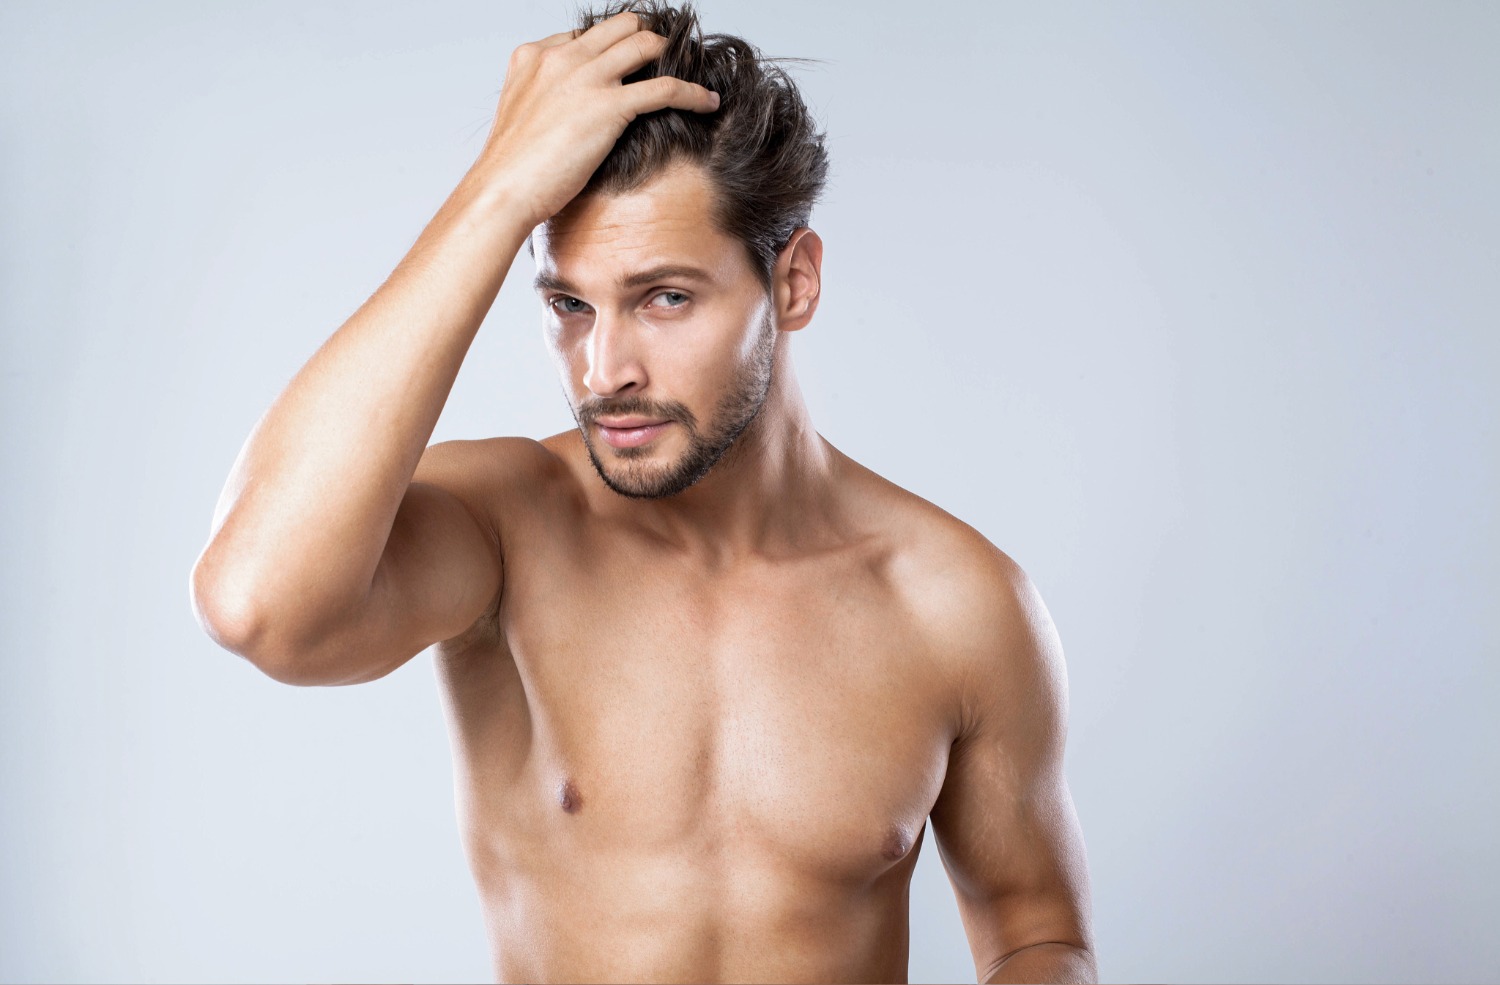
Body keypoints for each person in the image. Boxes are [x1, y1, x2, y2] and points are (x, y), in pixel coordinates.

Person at [188, 1, 1097, 981]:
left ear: (793, 283)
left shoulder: (957, 601)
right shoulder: (507, 530)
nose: (603, 368)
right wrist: (497, 193)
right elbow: (258, 605)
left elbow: (1037, 930)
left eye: (665, 298)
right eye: (570, 305)